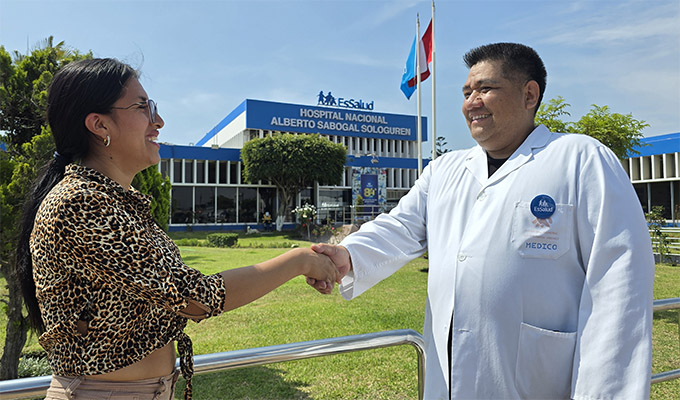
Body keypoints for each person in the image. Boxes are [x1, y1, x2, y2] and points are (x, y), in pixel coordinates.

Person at [310, 43, 654, 399]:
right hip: (449, 383)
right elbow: (400, 227)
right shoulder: (445, 170)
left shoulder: (580, 159)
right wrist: (349, 255)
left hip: (539, 383)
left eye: (485, 89)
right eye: (466, 93)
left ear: (529, 94)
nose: (471, 102)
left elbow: (619, 285)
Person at [16, 58, 339, 400]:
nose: (158, 121)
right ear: (99, 124)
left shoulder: (116, 202)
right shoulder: (80, 204)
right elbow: (194, 297)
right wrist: (298, 261)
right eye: (142, 107)